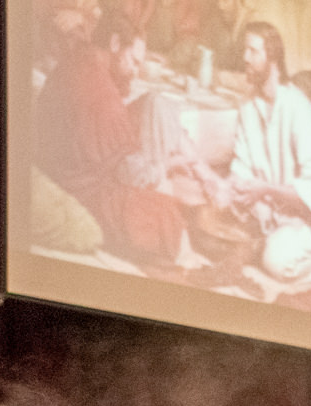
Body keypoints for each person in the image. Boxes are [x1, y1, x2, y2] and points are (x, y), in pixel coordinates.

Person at [35, 12, 212, 265]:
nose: (136, 72)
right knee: (166, 215)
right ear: (115, 43)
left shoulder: (85, 57)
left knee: (155, 103)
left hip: (81, 156)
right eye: (134, 62)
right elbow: (131, 175)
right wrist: (167, 167)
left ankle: (204, 178)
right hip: (76, 186)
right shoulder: (102, 97)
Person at [222, 22, 311, 282]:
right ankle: (268, 239)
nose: (245, 58)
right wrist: (233, 189)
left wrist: (264, 190)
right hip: (270, 211)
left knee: (275, 260)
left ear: (273, 58)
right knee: (210, 226)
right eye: (245, 50)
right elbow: (241, 168)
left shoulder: (297, 107)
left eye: (253, 51)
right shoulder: (248, 106)